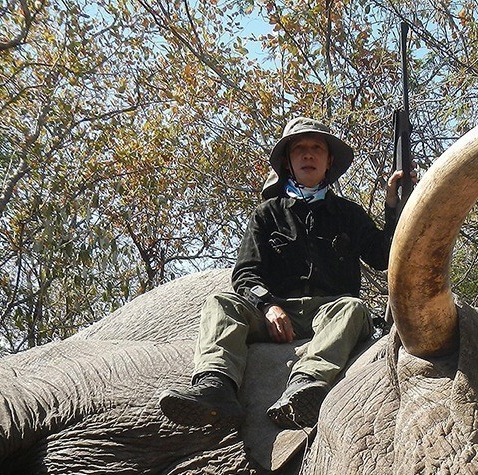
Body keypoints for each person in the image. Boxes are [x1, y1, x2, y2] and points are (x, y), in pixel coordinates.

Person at [159, 117, 408, 430]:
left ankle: (306, 385)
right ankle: (216, 385)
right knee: (221, 303)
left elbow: (383, 256)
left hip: (330, 313)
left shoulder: (349, 214)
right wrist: (267, 305)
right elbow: (246, 274)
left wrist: (394, 206)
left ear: (328, 160)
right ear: (288, 163)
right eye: (299, 149)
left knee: (353, 307)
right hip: (275, 312)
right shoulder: (267, 214)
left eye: (316, 148)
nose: (308, 155)